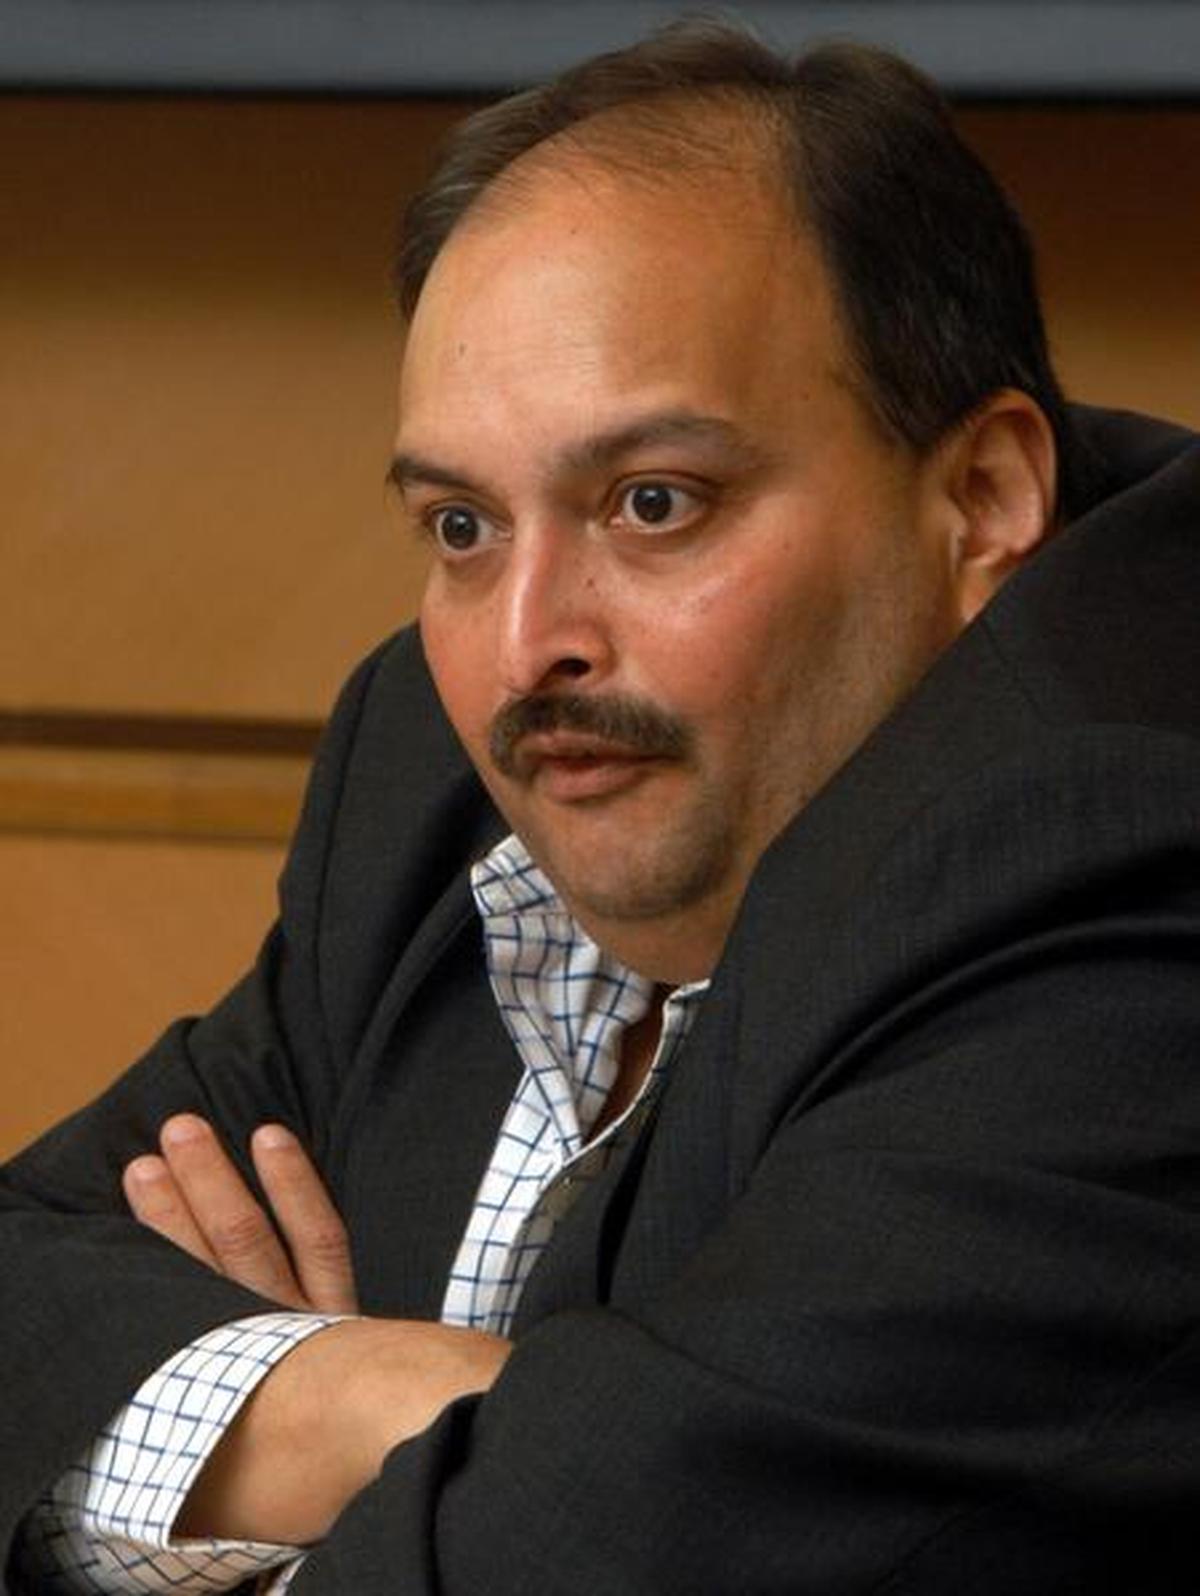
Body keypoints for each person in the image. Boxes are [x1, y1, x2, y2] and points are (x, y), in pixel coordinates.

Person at [3, 18, 1198, 1594]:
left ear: (981, 500)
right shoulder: (434, 760)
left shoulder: (1122, 848)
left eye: (651, 503)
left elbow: (621, 1561)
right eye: (461, 525)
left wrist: (240, 1485)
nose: (525, 645)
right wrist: (366, 1400)